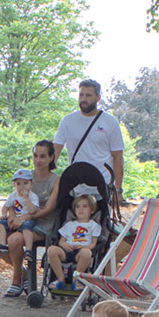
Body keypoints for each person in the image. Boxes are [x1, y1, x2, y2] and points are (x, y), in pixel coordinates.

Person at [0, 140, 62, 297]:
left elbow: (49, 209)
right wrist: (12, 216)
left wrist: (27, 217)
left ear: (51, 157)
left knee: (14, 241)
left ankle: (16, 281)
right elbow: (12, 200)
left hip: (42, 223)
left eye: (43, 156)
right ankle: (25, 274)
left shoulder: (56, 180)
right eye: (35, 156)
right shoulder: (26, 175)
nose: (38, 160)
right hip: (19, 220)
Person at [53, 78, 125, 218]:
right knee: (73, 227)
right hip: (76, 185)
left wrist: (118, 188)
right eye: (81, 95)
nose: (83, 99)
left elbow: (118, 157)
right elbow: (55, 150)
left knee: (99, 226)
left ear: (98, 98)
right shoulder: (68, 121)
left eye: (88, 95)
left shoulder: (110, 122)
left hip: (102, 185)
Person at [45, 186, 105, 287]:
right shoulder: (69, 224)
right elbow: (61, 241)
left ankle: (75, 279)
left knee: (87, 253)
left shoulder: (94, 225)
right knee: (51, 250)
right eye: (78, 206)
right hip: (66, 250)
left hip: (81, 252)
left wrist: (85, 247)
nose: (81, 209)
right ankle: (60, 279)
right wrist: (64, 245)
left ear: (92, 210)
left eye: (85, 206)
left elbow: (93, 243)